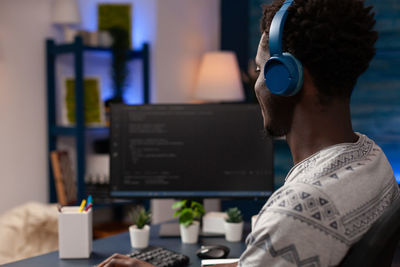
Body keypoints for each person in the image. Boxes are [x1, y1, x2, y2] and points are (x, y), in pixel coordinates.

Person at [97, 0, 399, 266]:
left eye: (259, 70)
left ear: (285, 79)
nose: (256, 85)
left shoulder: (295, 214)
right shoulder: (371, 159)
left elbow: (286, 237)